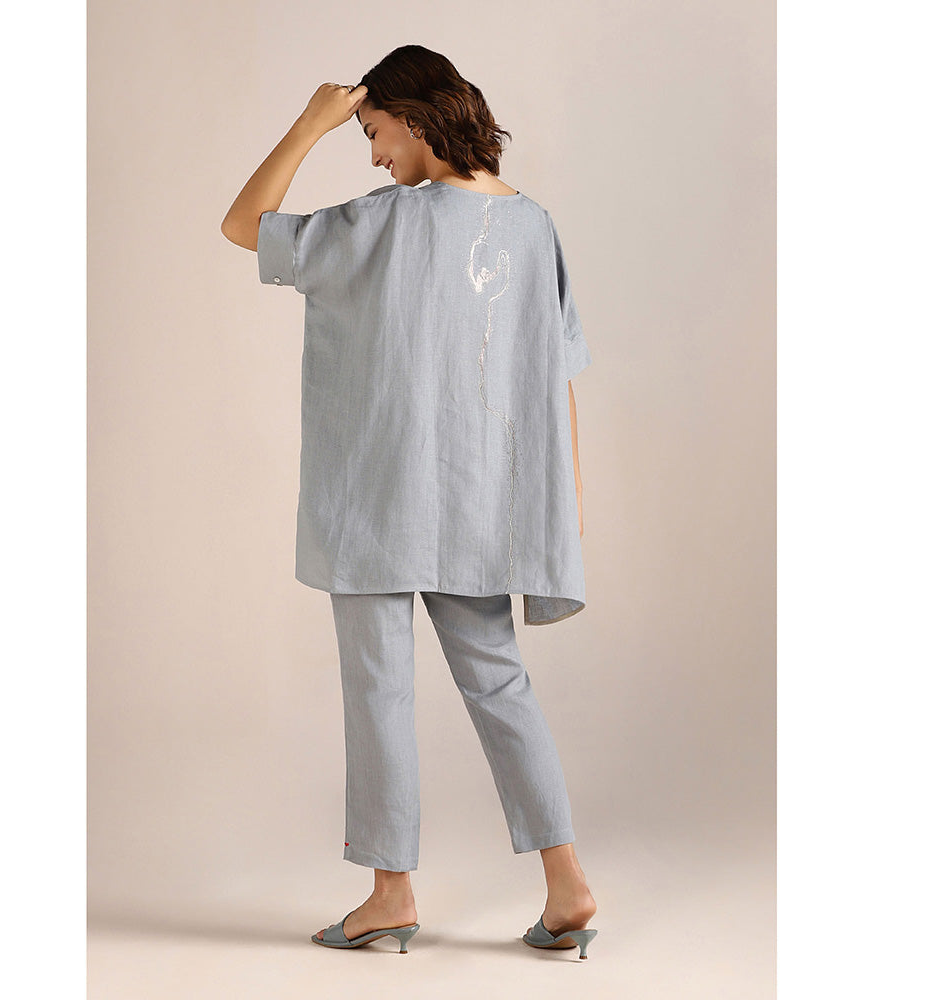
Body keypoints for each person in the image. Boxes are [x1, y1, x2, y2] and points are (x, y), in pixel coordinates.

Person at [221, 45, 598, 959]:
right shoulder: (534, 227)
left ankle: (390, 894)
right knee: (500, 682)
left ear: (416, 119)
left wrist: (309, 122)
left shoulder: (378, 222)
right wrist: (566, 507)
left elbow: (243, 225)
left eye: (374, 130)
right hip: (480, 504)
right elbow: (557, 378)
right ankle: (568, 884)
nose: (373, 153)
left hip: (373, 500)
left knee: (379, 690)